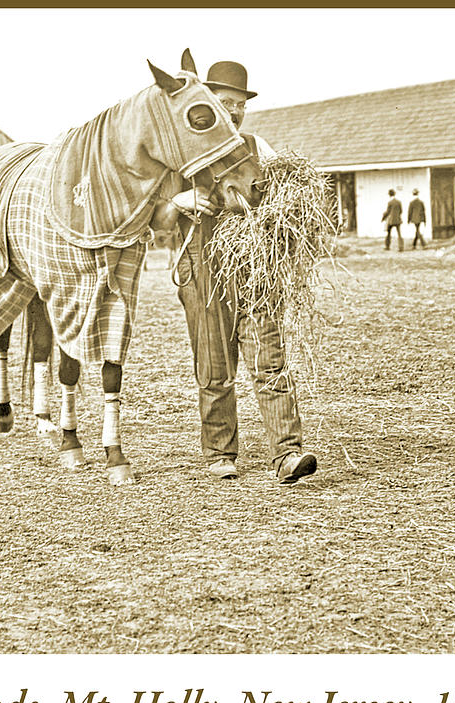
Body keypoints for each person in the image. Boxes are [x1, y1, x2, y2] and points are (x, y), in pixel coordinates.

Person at [159, 60, 317, 484]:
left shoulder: (255, 145)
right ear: (209, 101)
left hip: (254, 268)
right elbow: (154, 214)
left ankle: (287, 454)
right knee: (214, 365)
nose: (233, 111)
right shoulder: (181, 151)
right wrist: (180, 202)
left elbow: (285, 192)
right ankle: (220, 453)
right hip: (202, 267)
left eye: (239, 104)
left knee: (270, 359)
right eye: (224, 101)